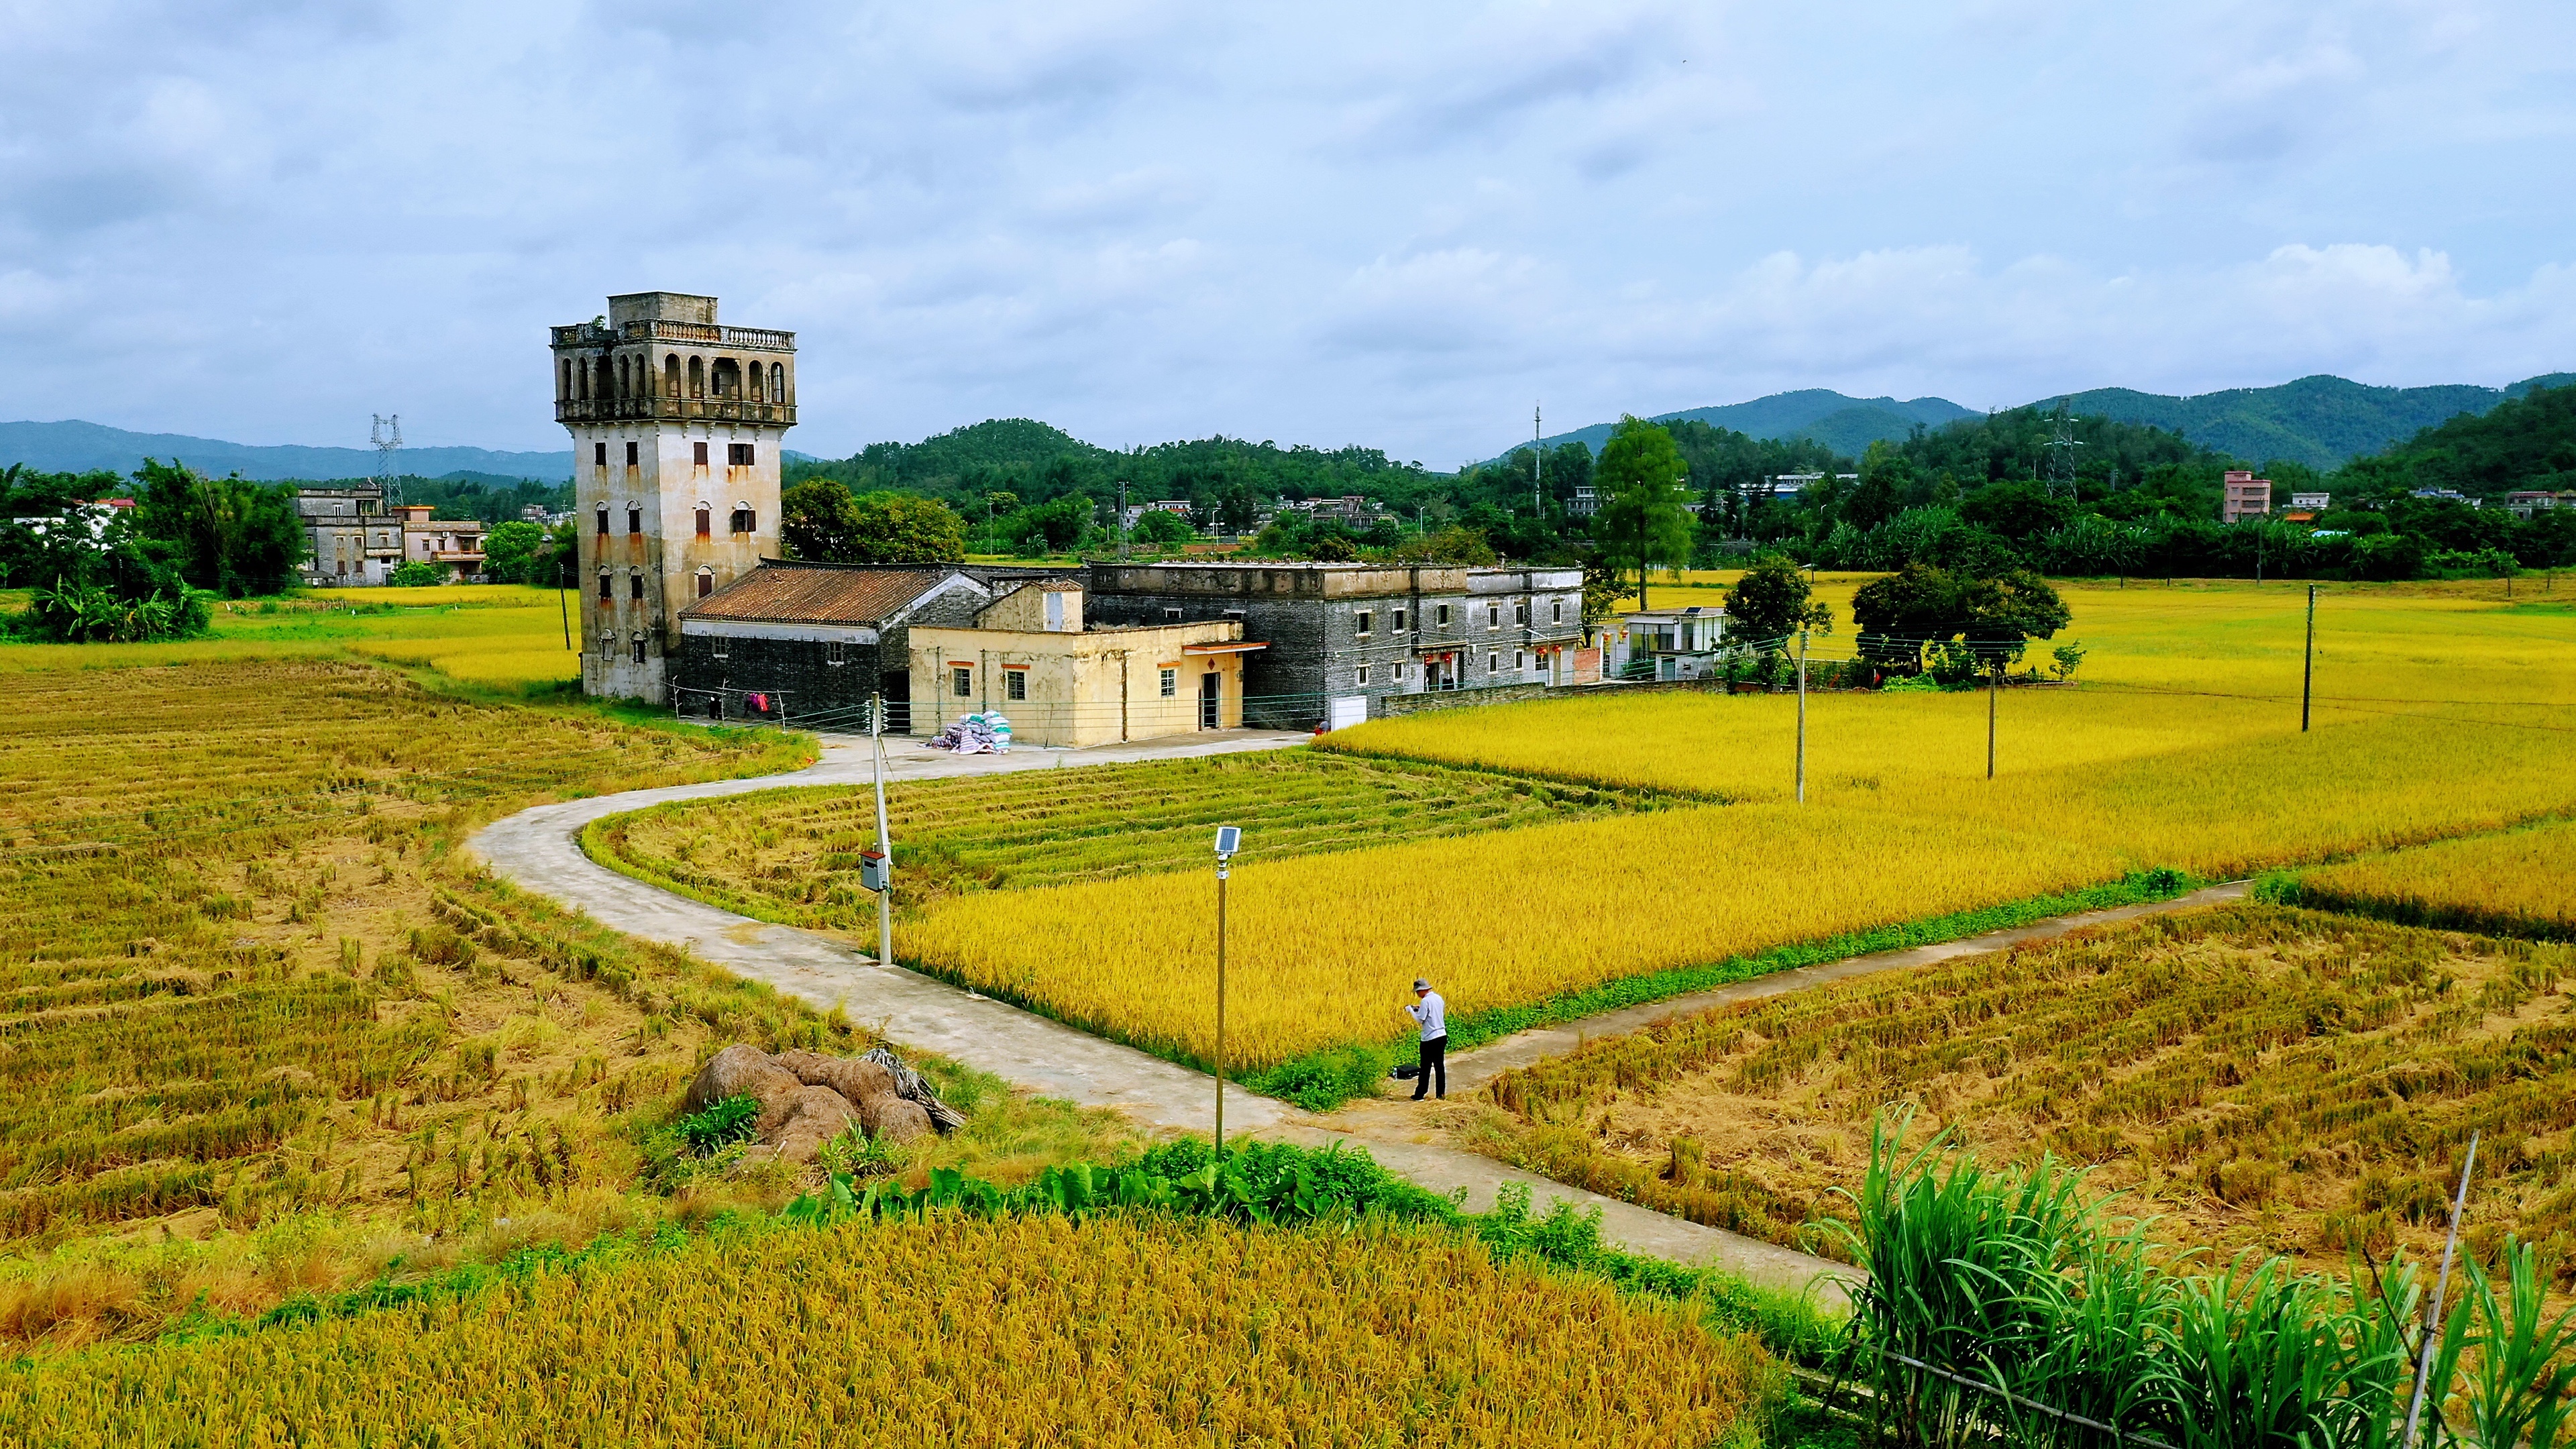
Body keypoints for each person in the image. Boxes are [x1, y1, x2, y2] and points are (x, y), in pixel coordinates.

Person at [1402, 977, 1446, 1101]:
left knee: (1425, 1067)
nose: (1417, 995)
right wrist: (1419, 1008)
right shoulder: (1438, 998)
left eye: (1417, 992)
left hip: (1429, 1039)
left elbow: (1420, 1020)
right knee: (1439, 1066)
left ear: (1422, 990)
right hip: (1442, 1035)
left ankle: (1420, 1094)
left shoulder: (1425, 1002)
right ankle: (1440, 1095)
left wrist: (1411, 1010)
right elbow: (1433, 1013)